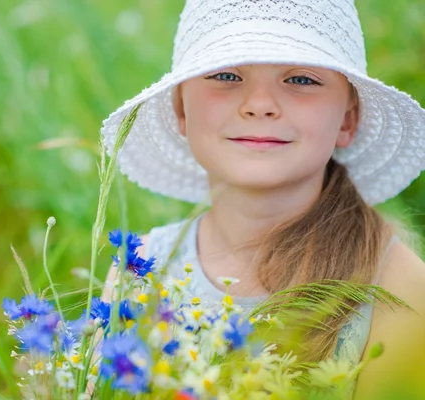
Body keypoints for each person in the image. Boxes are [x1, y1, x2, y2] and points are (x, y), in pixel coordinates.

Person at [99, 0, 425, 398]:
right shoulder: (141, 269)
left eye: (301, 79)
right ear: (181, 109)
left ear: (347, 119)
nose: (259, 105)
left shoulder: (397, 288)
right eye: (226, 74)